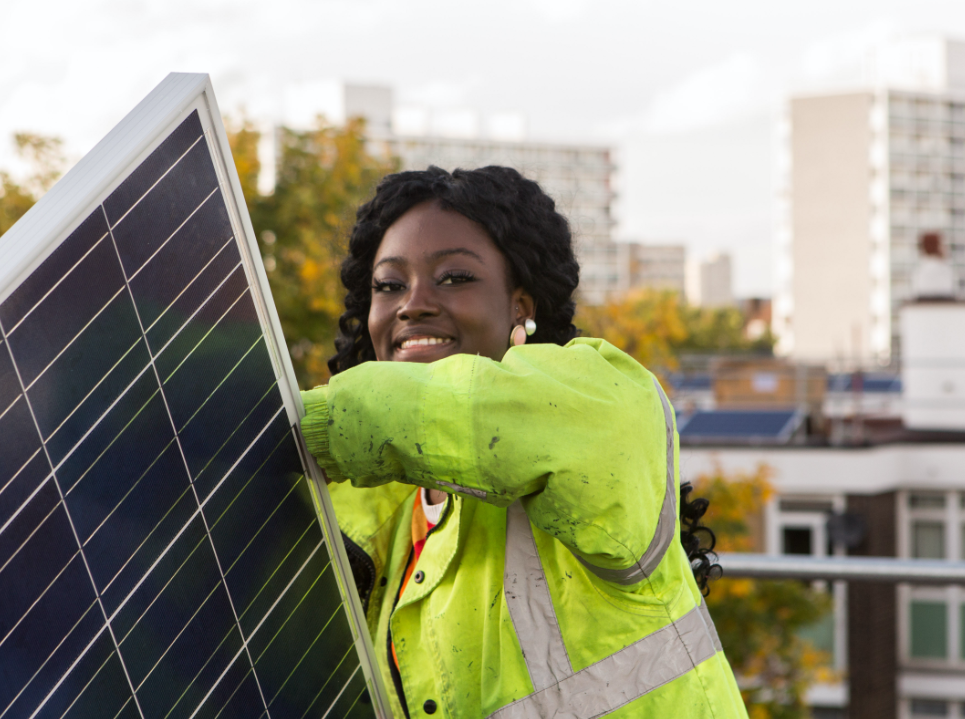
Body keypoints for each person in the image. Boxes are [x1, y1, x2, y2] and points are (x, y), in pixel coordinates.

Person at [298, 166, 745, 718]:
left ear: (522, 307)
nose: (412, 303)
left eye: (454, 278)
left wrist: (296, 424)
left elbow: (465, 413)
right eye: (389, 285)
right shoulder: (378, 512)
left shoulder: (603, 405)